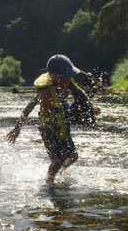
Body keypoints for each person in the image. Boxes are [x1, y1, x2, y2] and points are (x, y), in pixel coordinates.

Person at [6, 54, 99, 183]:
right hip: (47, 127)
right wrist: (17, 128)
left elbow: (81, 98)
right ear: (54, 76)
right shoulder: (45, 91)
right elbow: (29, 107)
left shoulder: (68, 82)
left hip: (62, 124)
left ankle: (55, 174)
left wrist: (91, 108)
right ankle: (49, 183)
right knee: (58, 159)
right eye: (66, 75)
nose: (69, 78)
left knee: (73, 156)